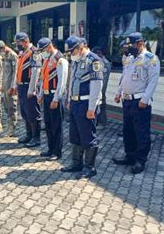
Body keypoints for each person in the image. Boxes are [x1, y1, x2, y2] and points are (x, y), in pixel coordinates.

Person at [113, 32, 160, 174]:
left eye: (131, 45)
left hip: (140, 102)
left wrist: (145, 99)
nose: (129, 48)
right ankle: (130, 156)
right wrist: (118, 92)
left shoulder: (151, 59)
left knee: (141, 132)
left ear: (140, 43)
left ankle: (140, 160)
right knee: (128, 131)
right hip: (126, 100)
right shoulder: (129, 58)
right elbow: (124, 77)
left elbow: (153, 80)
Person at [61, 36, 103, 179]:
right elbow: (72, 81)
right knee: (75, 134)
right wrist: (69, 100)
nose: (70, 54)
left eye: (72, 51)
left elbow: (97, 85)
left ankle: (89, 167)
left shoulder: (93, 60)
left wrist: (92, 108)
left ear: (80, 48)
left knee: (88, 136)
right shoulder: (76, 61)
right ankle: (76, 163)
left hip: (86, 104)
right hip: (75, 103)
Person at [37, 38, 69, 160]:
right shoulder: (46, 59)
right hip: (46, 95)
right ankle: (50, 149)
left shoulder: (60, 60)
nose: (41, 52)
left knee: (56, 125)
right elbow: (43, 79)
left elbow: (61, 82)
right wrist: (40, 94)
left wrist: (56, 99)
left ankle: (57, 151)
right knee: (48, 125)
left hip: (54, 96)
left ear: (49, 47)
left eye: (43, 49)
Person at [14, 32, 42, 148]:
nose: (17, 45)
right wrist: (16, 85)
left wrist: (32, 90)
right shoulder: (22, 53)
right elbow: (18, 70)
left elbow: (35, 73)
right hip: (22, 86)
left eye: (18, 42)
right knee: (25, 113)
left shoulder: (34, 53)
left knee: (33, 113)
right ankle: (29, 135)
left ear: (25, 41)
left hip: (29, 86)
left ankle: (36, 138)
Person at [0, 41, 19, 137]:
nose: (0, 53)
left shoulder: (13, 56)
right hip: (6, 86)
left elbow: (15, 72)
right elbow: (4, 72)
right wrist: (2, 85)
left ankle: (12, 128)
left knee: (11, 107)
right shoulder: (5, 56)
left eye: (0, 50)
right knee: (6, 107)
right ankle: (8, 126)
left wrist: (13, 86)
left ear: (4, 47)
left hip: (11, 87)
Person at [93, 46, 112, 127]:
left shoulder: (105, 63)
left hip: (101, 90)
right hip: (96, 89)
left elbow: (104, 80)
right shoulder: (98, 62)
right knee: (97, 106)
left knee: (102, 106)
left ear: (99, 53)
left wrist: (101, 91)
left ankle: (102, 123)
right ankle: (97, 122)